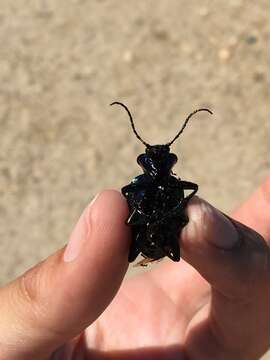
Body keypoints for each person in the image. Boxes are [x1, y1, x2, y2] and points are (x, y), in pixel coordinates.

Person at [1, 176, 270, 360]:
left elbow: (188, 192)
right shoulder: (139, 187)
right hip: (153, 239)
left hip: (160, 239)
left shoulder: (167, 186)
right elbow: (130, 196)